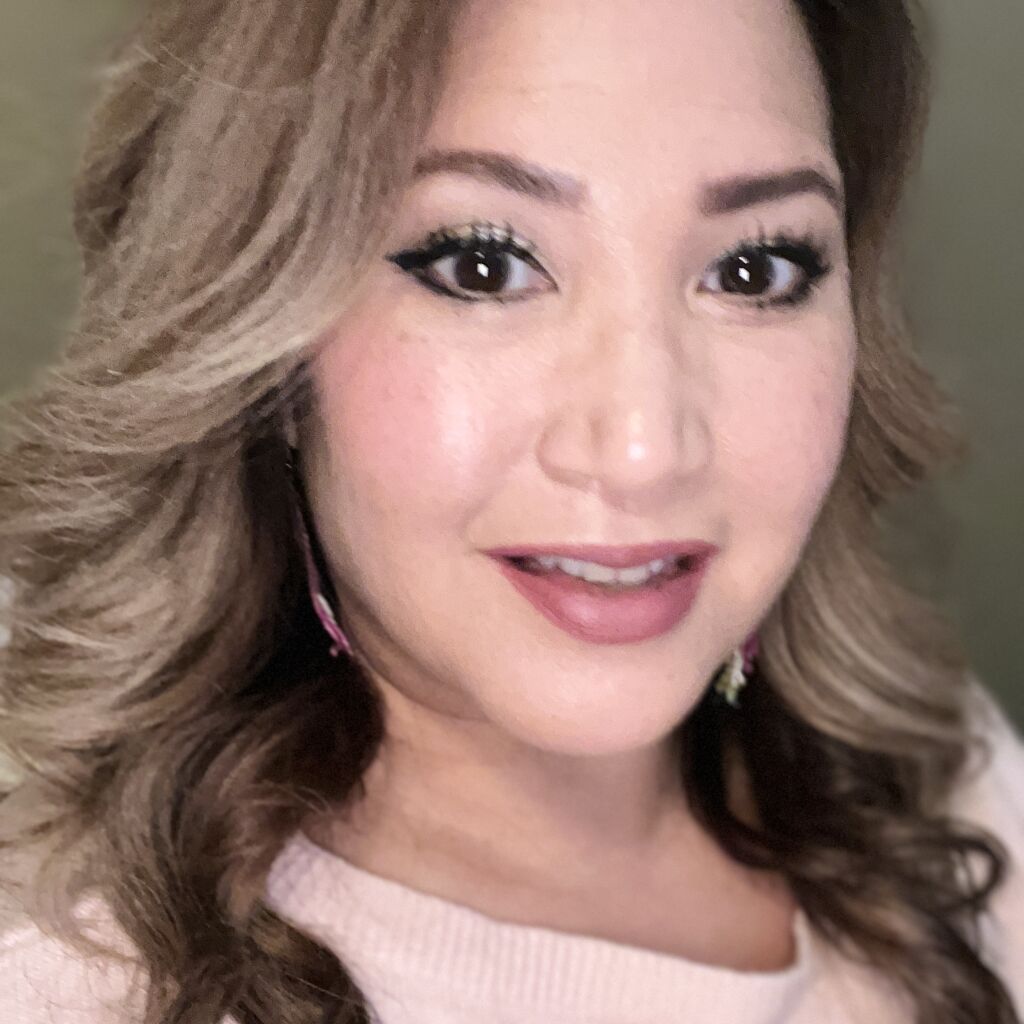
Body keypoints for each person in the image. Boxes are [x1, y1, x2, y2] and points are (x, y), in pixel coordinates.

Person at [0, 0, 1021, 1021]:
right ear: (271, 351)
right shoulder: (64, 972)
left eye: (753, 269)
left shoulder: (947, 778)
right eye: (481, 266)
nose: (643, 451)